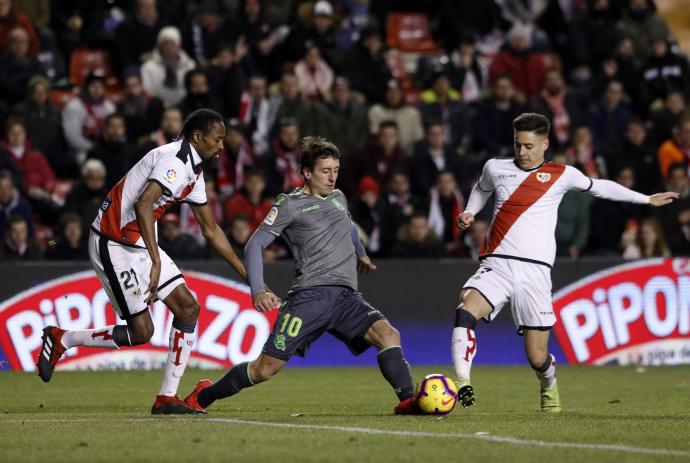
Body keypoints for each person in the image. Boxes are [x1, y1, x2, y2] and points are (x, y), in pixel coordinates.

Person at [452, 113, 677, 412]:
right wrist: (469, 211)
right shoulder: (496, 167)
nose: (522, 152)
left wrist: (646, 199)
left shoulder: (563, 174)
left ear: (545, 144)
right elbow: (481, 189)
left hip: (536, 273)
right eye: (518, 145)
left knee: (536, 357)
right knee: (465, 309)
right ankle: (462, 383)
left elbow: (601, 186)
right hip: (498, 263)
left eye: (529, 146)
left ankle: (549, 384)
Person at [182, 136, 420, 415]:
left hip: (346, 298)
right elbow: (255, 244)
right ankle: (203, 396)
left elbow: (350, 227)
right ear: (307, 172)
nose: (332, 177)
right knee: (264, 369)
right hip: (310, 299)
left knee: (388, 334)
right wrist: (258, 289)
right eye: (325, 171)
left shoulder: (339, 198)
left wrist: (360, 253)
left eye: (336, 170)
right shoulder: (289, 204)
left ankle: (408, 401)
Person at [36, 109, 249, 415]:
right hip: (113, 242)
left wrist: (247, 275)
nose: (221, 146)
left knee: (188, 308)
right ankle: (62, 338)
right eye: (217, 139)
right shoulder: (173, 160)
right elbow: (143, 202)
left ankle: (167, 397)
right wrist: (155, 259)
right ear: (197, 136)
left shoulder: (195, 172)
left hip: (138, 243)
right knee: (142, 332)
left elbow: (211, 229)